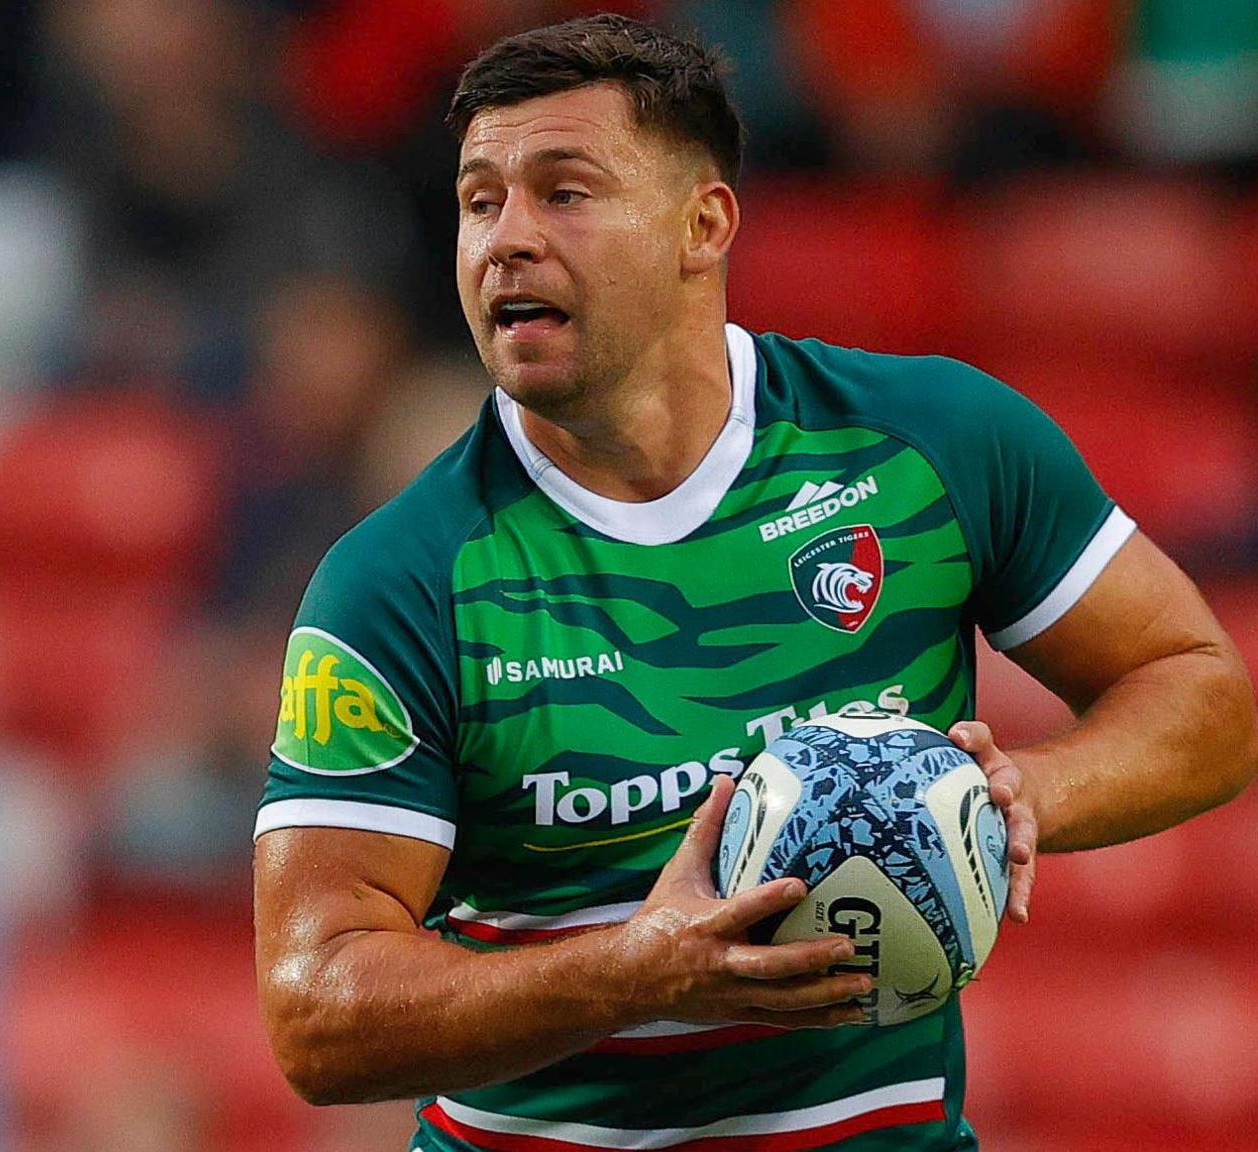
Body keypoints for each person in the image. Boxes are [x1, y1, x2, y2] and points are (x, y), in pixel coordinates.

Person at [249, 14, 1258, 1152]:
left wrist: (1018, 798)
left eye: (563, 193)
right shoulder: (398, 582)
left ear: (703, 222)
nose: (505, 240)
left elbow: (1203, 695)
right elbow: (314, 1016)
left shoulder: (929, 443)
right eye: (479, 201)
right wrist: (634, 973)